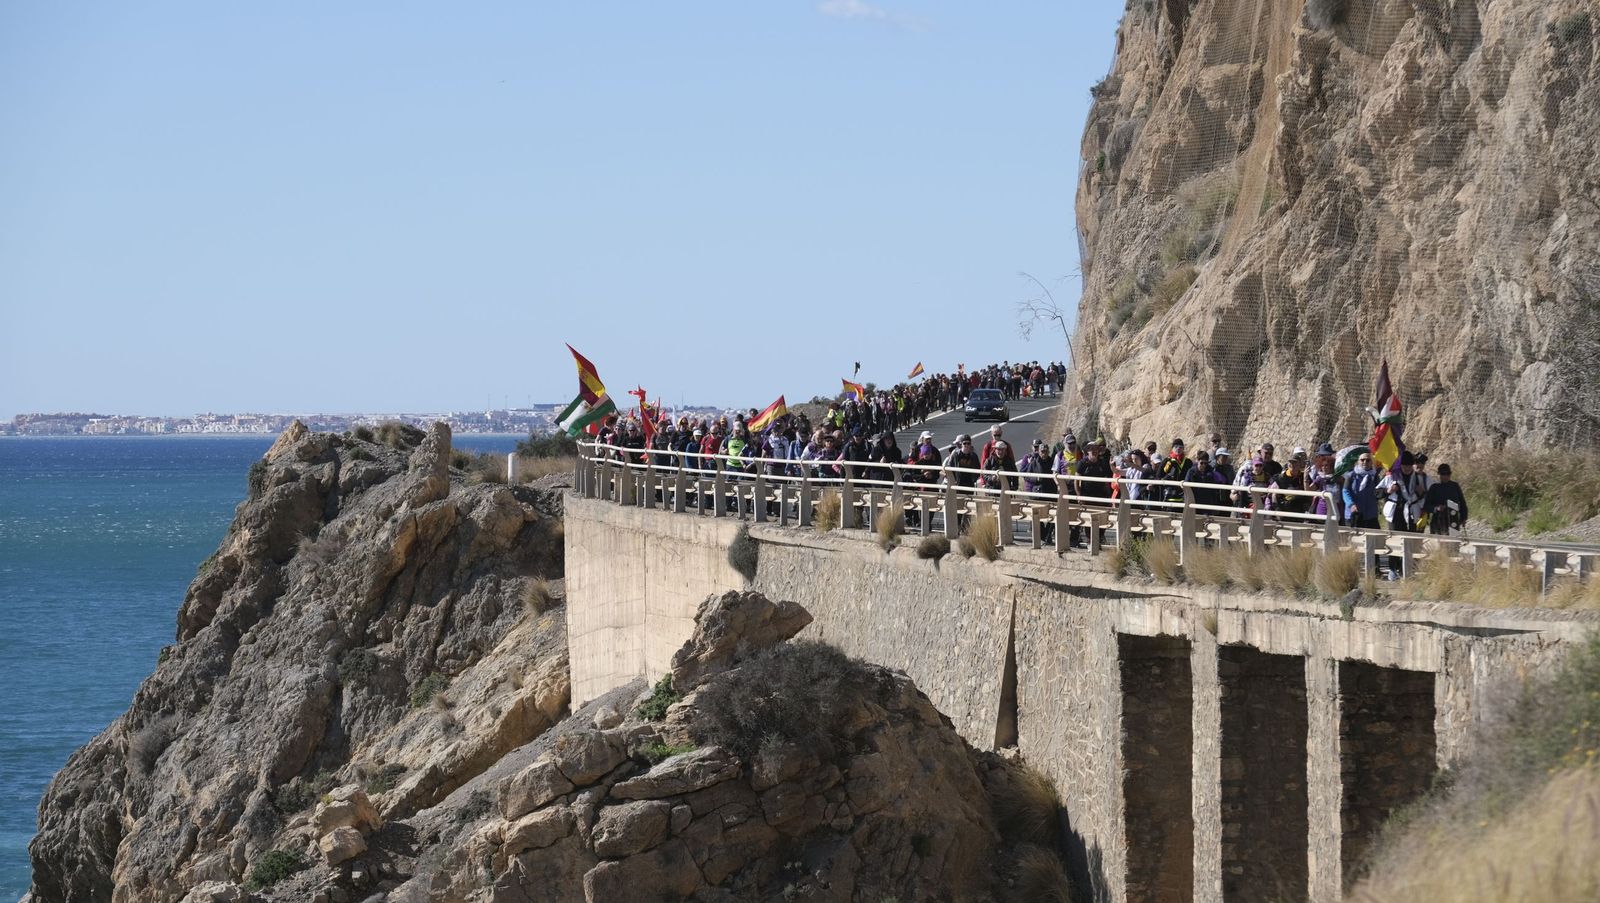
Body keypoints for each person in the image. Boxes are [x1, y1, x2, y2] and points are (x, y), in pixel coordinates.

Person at [1421, 463, 1469, 534]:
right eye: (1443, 474)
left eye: (1448, 474)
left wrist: (1464, 518)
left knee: (1453, 543)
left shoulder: (1455, 486)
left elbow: (1462, 503)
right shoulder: (1434, 487)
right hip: (1437, 520)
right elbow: (1427, 505)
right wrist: (1436, 508)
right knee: (1437, 543)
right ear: (1439, 474)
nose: (1446, 476)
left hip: (1453, 520)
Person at [1343, 452, 1382, 529]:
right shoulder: (1351, 475)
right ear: (1358, 461)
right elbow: (1345, 491)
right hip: (1354, 513)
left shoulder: (1374, 476)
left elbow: (1378, 492)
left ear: (1371, 462)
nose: (1365, 462)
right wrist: (1351, 504)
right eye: (1362, 460)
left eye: (1368, 460)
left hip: (1371, 514)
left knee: (1373, 538)